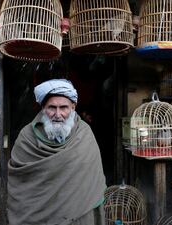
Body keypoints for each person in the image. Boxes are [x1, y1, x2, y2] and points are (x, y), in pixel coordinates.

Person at [8, 79, 107, 225]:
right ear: (43, 108)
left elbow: (91, 182)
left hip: (77, 215)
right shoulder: (27, 137)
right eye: (52, 107)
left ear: (73, 107)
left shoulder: (84, 134)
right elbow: (20, 184)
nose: (58, 114)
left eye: (64, 108)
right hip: (37, 217)